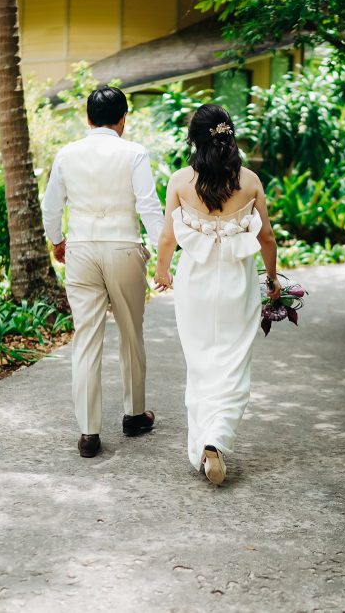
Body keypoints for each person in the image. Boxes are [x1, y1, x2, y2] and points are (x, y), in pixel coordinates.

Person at [153, 104, 281, 485]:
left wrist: (162, 273)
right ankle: (216, 438)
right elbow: (267, 239)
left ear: (194, 138)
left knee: (201, 364)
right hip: (237, 286)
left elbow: (166, 239)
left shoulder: (179, 181)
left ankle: (205, 443)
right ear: (230, 134)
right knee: (233, 364)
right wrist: (272, 280)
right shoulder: (252, 181)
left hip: (195, 285)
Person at [42, 86, 165, 458]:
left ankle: (88, 432)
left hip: (80, 249)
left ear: (87, 118)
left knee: (86, 339)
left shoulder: (67, 154)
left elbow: (50, 207)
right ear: (123, 119)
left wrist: (58, 240)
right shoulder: (134, 153)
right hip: (123, 247)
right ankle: (133, 415)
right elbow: (149, 207)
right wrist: (164, 256)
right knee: (131, 333)